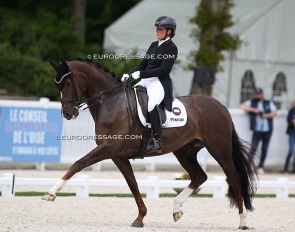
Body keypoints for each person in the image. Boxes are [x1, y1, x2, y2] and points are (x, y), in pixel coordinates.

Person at [121, 16, 178, 153]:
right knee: (129, 99)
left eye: (160, 29)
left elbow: (163, 70)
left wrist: (141, 74)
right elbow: (143, 64)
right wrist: (129, 74)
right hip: (146, 79)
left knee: (152, 104)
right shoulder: (153, 45)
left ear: (169, 31)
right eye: (157, 29)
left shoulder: (172, 48)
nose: (157, 31)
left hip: (158, 82)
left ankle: (158, 140)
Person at [240, 87, 277, 174]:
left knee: (265, 148)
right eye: (256, 94)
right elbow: (242, 106)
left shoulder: (268, 103)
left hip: (267, 129)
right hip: (257, 129)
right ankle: (248, 166)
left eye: (259, 94)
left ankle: (261, 166)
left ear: (262, 94)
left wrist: (266, 115)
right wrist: (253, 110)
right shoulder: (252, 102)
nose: (257, 95)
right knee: (253, 148)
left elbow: (275, 112)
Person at [284, 99, 295, 173]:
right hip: (292, 132)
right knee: (291, 150)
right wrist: (292, 122)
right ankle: (286, 167)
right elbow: (288, 120)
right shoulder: (292, 111)